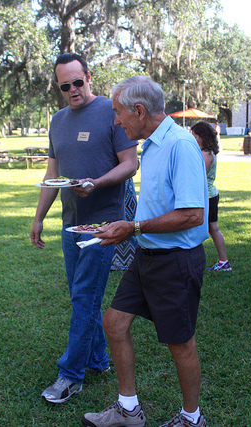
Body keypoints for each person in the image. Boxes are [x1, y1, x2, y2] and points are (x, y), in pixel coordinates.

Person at [83, 76, 210, 427]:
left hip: (176, 261)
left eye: (118, 112)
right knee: (114, 322)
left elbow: (192, 215)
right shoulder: (152, 145)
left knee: (180, 343)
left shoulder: (180, 145)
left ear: (139, 111)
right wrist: (126, 225)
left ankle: (192, 419)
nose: (116, 121)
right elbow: (158, 203)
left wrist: (134, 228)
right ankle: (128, 410)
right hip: (148, 255)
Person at [30, 53, 138, 404]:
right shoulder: (58, 120)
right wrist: (39, 217)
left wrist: (97, 183)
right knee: (82, 296)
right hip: (70, 223)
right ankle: (98, 358)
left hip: (103, 223)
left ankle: (70, 374)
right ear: (59, 87)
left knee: (84, 297)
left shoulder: (110, 111)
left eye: (78, 82)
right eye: (66, 86)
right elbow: (52, 174)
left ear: (89, 77)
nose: (73, 89)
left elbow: (130, 164)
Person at [190, 121, 232, 272]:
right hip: (210, 195)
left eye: (194, 136)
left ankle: (221, 261)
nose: (192, 138)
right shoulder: (208, 152)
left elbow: (200, 177)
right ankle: (223, 261)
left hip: (206, 196)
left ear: (203, 137)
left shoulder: (206, 154)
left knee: (207, 228)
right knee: (213, 228)